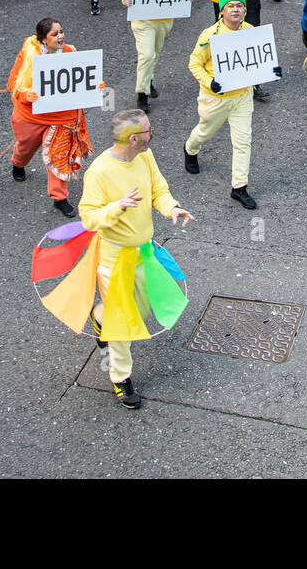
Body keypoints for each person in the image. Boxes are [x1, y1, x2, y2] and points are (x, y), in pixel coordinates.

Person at [42, 108, 194, 410]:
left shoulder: (145, 157)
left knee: (139, 310)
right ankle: (121, 378)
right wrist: (117, 208)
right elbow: (89, 217)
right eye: (148, 131)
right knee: (123, 323)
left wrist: (171, 208)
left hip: (144, 252)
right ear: (134, 138)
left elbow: (159, 190)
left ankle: (99, 318)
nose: (153, 133)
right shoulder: (99, 172)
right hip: (114, 259)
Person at [184, 0, 281, 210]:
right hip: (215, 99)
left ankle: (239, 188)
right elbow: (194, 63)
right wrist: (210, 83)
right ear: (222, 11)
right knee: (204, 132)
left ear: (245, 10)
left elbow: (258, 60)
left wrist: (272, 70)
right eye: (231, 6)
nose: (236, 9)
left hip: (242, 97)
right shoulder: (210, 36)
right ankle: (190, 149)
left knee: (243, 141)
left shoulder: (250, 31)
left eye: (239, 5)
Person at [5, 17, 93, 217]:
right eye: (55, 33)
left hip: (62, 117)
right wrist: (26, 96)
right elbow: (15, 83)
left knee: (58, 154)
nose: (61, 36)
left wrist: (96, 86)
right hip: (30, 116)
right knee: (25, 148)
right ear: (44, 39)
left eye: (62, 31)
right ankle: (18, 163)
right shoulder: (29, 55)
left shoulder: (70, 53)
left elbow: (83, 80)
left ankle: (59, 197)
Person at [119, 0, 180, 113]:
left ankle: (149, 79)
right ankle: (142, 94)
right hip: (143, 19)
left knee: (155, 52)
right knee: (146, 54)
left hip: (164, 18)